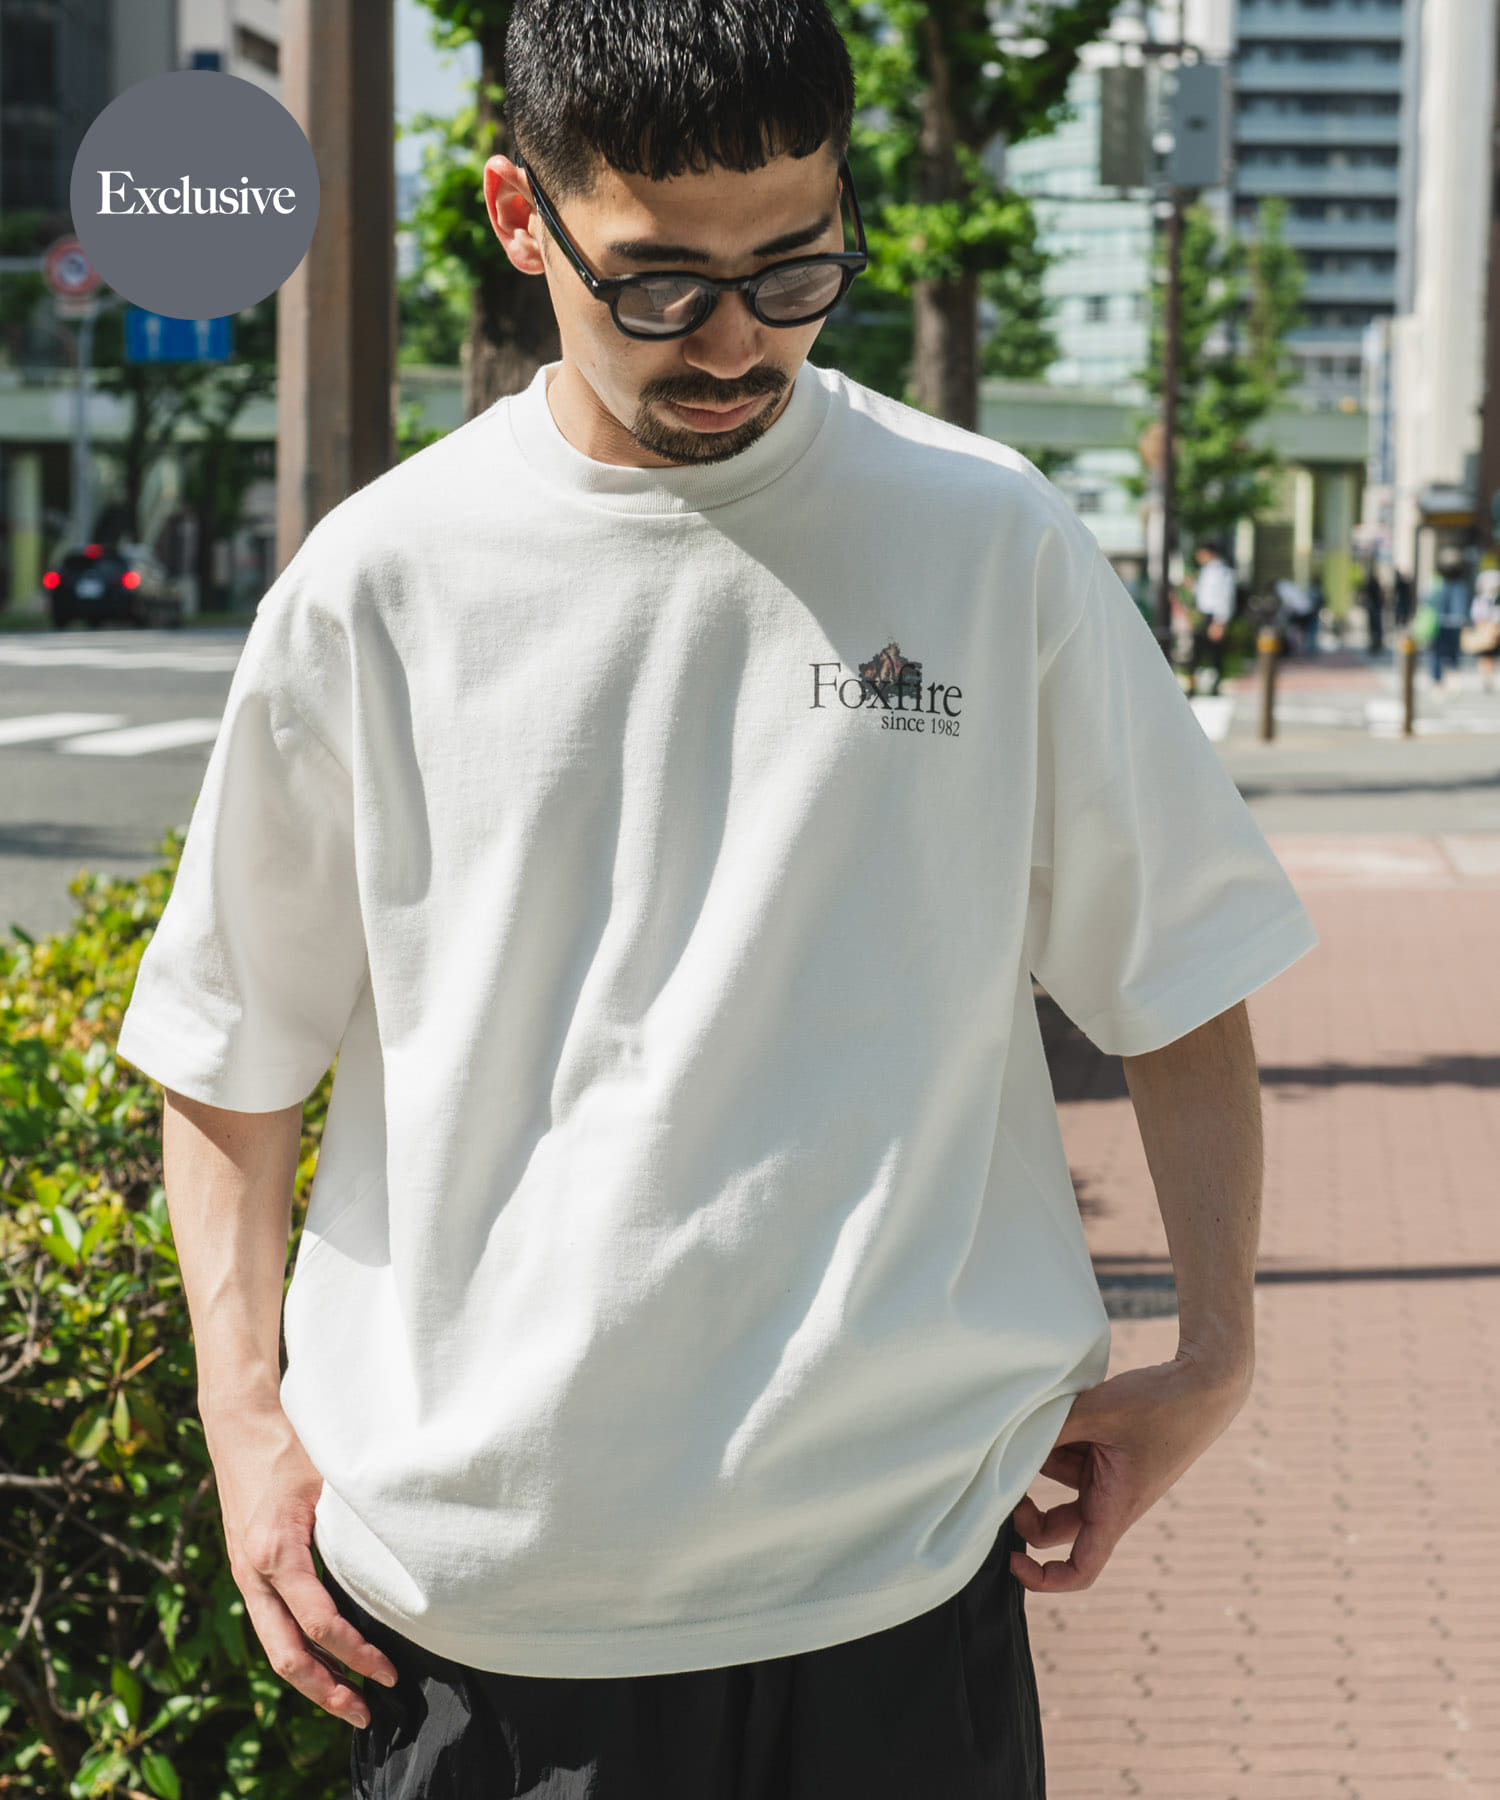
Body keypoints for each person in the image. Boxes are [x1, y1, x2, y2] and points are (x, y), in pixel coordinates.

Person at [113, 5, 1320, 1795]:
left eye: (796, 266)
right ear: (523, 220)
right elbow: (231, 1045)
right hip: (483, 1609)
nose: (738, 338)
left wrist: (1216, 1349)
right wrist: (241, 1421)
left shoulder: (988, 538)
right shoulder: (383, 583)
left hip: (900, 1583)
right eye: (660, 282)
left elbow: (1183, 969)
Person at [1189, 538, 1237, 694]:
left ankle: (1215, 686)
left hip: (1215, 617)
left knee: (1215, 653)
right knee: (1197, 652)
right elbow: (1205, 594)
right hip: (1203, 615)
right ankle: (1193, 685)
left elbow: (1226, 598)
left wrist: (1220, 622)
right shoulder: (1206, 571)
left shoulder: (1223, 572)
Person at [1427, 551, 1472, 688]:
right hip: (1455, 623)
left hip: (1439, 622)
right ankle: (1452, 677)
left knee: (1436, 653)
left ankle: (1438, 681)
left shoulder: (1436, 583)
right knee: (1453, 653)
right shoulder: (1461, 584)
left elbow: (1427, 601)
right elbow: (1464, 604)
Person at [1466, 566, 1500, 692]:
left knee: (1491, 656)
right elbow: (1476, 615)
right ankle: (1486, 676)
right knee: (1484, 655)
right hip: (1485, 630)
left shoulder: (1495, 599)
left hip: (1494, 631)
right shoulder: (1481, 599)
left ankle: (1489, 676)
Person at [1360, 564, 1385, 657]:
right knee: (1376, 627)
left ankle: (1376, 644)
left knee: (1374, 627)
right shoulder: (1374, 584)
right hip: (1375, 608)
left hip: (1374, 608)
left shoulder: (1371, 584)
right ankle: (1376, 644)